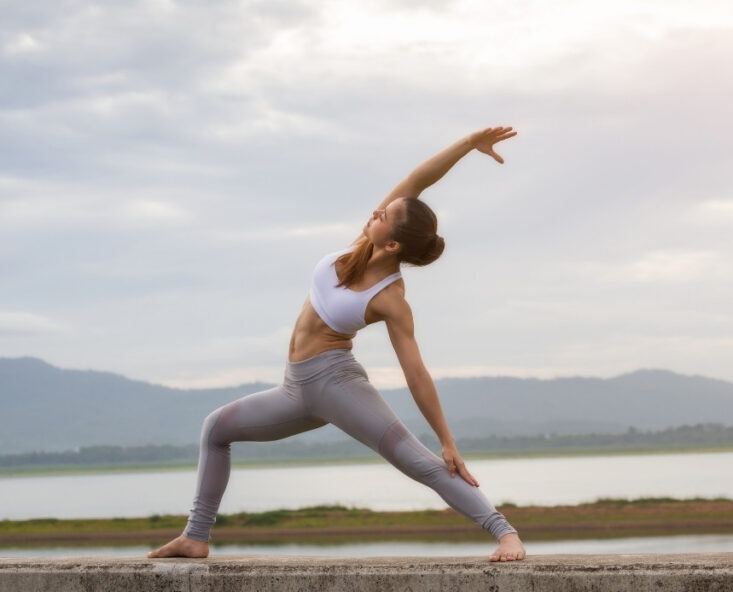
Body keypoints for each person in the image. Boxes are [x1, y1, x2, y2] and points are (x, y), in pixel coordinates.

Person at [147, 127, 526, 562]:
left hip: (337, 386)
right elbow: (419, 179)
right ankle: (196, 537)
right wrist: (466, 145)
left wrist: (448, 440)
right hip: (295, 389)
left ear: (394, 243)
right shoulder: (362, 246)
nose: (376, 211)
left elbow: (416, 374)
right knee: (215, 429)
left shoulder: (390, 299)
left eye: (384, 215)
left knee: (419, 462)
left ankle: (505, 533)